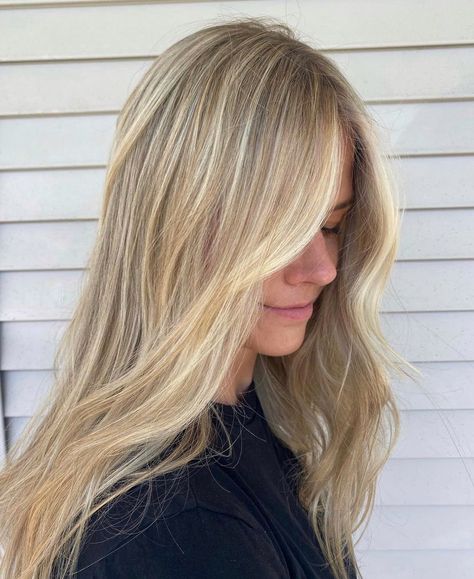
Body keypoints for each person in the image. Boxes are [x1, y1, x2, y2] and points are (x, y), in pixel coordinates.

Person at [0, 16, 420, 579]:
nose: (322, 269)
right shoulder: (175, 532)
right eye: (280, 230)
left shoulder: (239, 415)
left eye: (331, 225)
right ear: (172, 224)